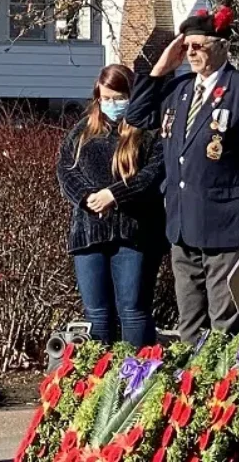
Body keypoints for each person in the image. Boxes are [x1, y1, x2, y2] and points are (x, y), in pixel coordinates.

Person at [124, 5, 239, 343]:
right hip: (183, 224)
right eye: (186, 46)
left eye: (198, 46)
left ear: (221, 47)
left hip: (226, 226)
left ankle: (226, 376)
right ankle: (192, 376)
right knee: (189, 323)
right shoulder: (179, 91)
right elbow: (136, 116)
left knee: (226, 323)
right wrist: (160, 69)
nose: (190, 53)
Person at [56, 64, 166, 348]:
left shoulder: (148, 130)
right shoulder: (82, 130)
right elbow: (66, 170)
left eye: (118, 98)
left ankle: (137, 369)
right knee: (96, 314)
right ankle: (98, 371)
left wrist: (114, 195)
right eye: (105, 98)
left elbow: (153, 175)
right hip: (89, 234)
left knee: (133, 310)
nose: (112, 104)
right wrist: (87, 197)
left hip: (135, 234)